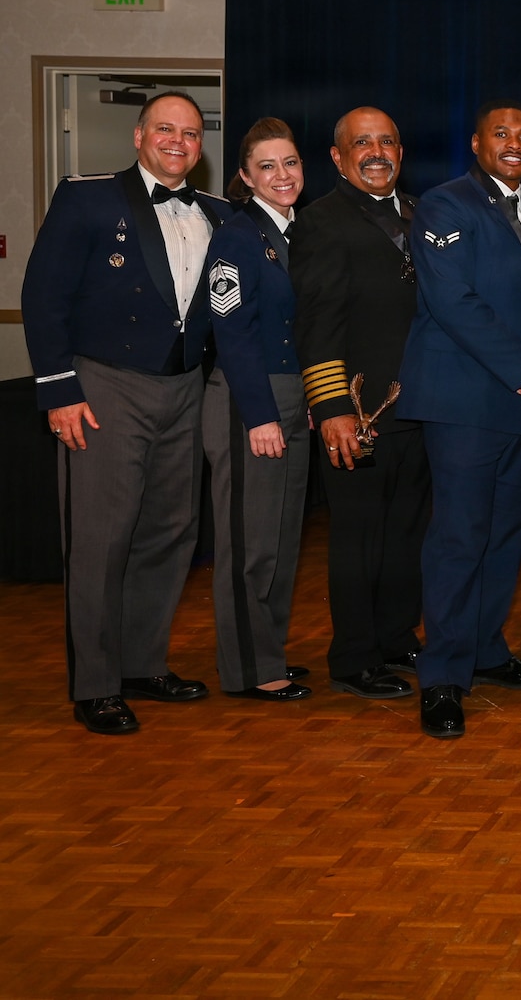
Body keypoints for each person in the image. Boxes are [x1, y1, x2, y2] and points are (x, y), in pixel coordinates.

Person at [25, 91, 228, 734]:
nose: (178, 141)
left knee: (171, 532)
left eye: (191, 133)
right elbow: (43, 295)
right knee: (101, 538)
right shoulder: (88, 197)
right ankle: (96, 684)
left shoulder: (219, 214)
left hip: (185, 387)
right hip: (105, 387)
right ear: (139, 135)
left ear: (201, 147)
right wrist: (60, 390)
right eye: (165, 129)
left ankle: (143, 664)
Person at [398, 101, 521, 739]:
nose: (515, 143)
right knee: (460, 538)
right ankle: (442, 676)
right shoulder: (444, 206)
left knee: (504, 536)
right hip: (466, 402)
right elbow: (453, 303)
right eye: (502, 133)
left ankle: (485, 650)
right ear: (476, 144)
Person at [295, 107, 427, 701]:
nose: (376, 152)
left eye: (387, 142)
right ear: (337, 156)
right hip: (360, 411)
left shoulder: (421, 214)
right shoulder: (320, 222)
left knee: (406, 532)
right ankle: (353, 656)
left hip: (421, 408)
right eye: (361, 143)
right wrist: (331, 409)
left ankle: (397, 636)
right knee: (357, 537)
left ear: (401, 150)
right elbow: (317, 323)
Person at [200, 119, 312, 702]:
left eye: (289, 163)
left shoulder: (302, 232)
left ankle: (270, 648)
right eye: (267, 166)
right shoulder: (238, 238)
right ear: (245, 177)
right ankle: (250, 668)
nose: (282, 175)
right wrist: (259, 415)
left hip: (296, 396)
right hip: (251, 399)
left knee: (283, 538)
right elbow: (233, 332)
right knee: (250, 543)